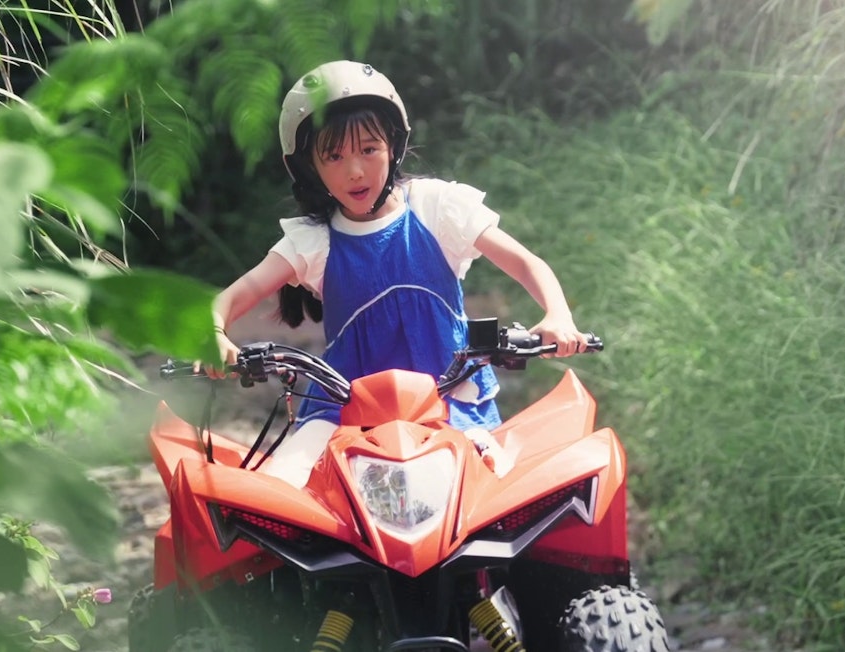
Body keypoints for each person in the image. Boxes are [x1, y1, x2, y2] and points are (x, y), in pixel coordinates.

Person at [205, 60, 588, 486]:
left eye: (369, 149)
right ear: (310, 168)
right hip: (342, 412)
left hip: (450, 403)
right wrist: (213, 333)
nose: (355, 170)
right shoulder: (313, 240)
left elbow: (526, 262)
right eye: (334, 156)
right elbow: (233, 296)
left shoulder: (437, 207)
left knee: (504, 492)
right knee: (282, 490)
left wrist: (558, 315)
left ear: (393, 146)